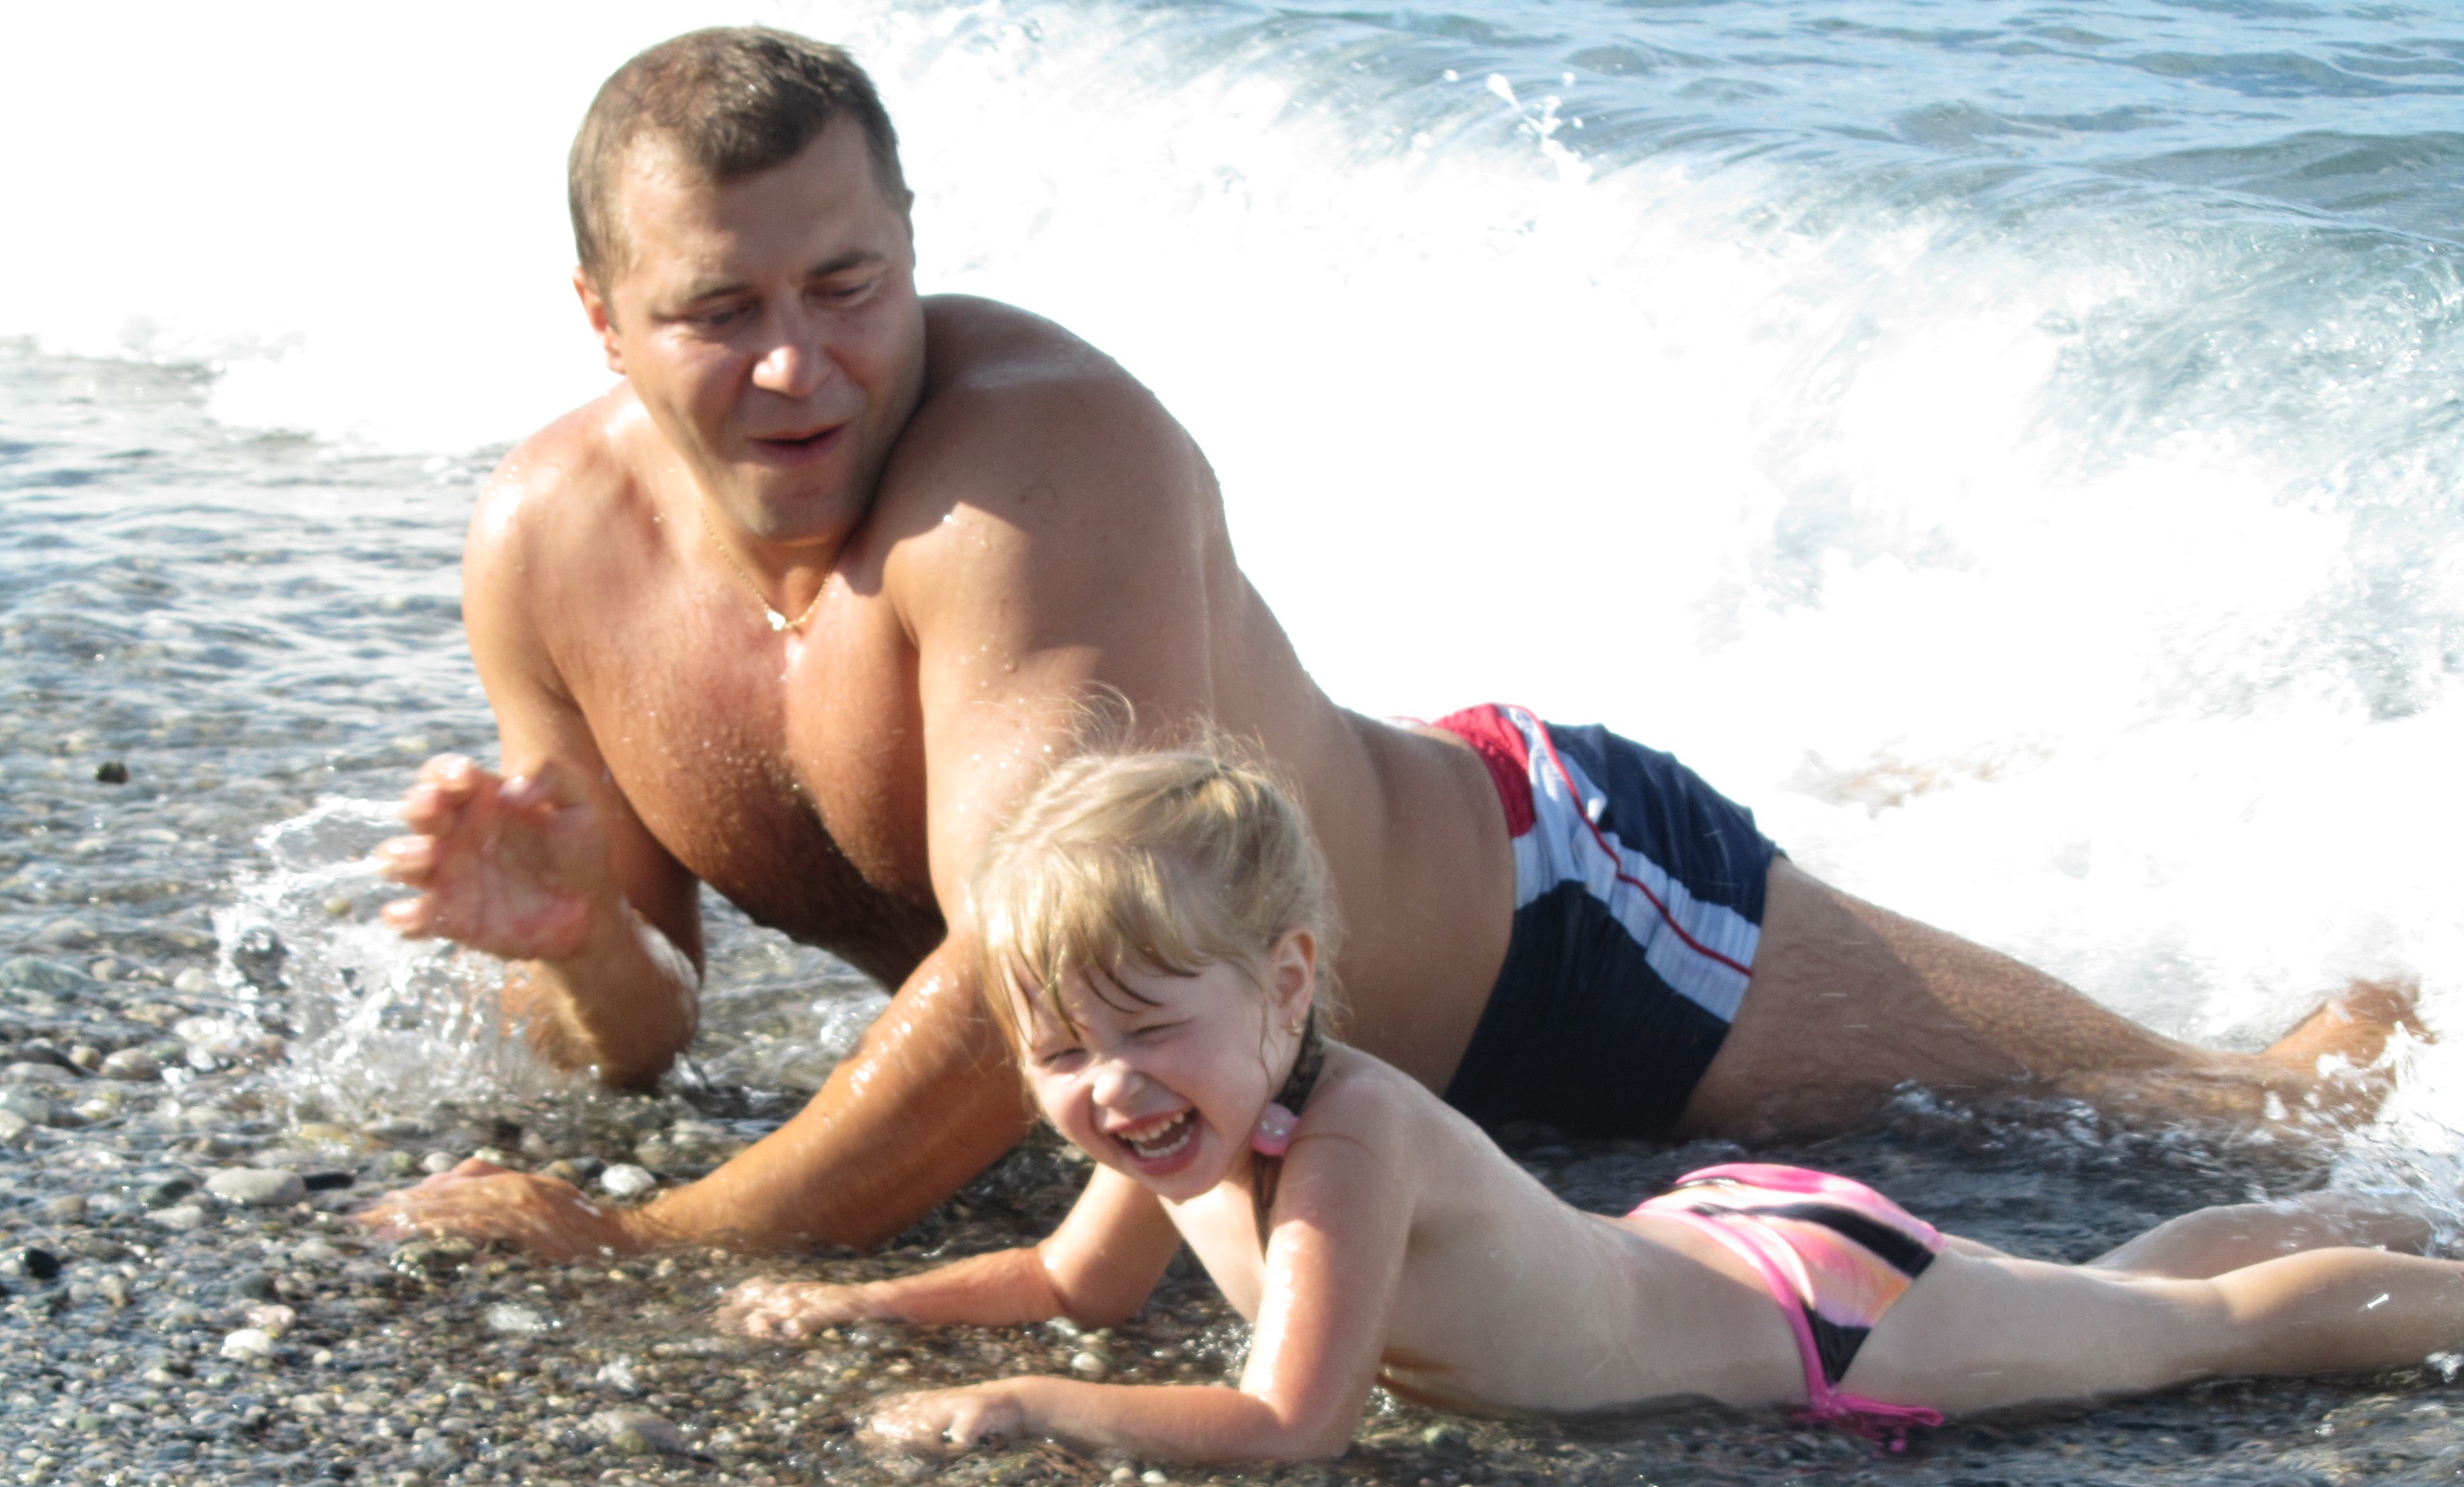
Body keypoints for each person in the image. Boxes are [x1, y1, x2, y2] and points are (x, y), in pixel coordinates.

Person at [365, 26, 2412, 1265]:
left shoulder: (1037, 468)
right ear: (602, 319)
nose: (801, 363)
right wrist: (580, 944)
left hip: (1556, 928)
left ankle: (2399, 999)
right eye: (720, 311)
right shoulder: (549, 552)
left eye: (849, 284)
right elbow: (643, 1038)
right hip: (1255, 1065)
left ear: (914, 257)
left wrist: (647, 1239)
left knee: (2199, 1117)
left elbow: (1028, 983)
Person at [716, 751, 2462, 1464]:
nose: (1104, 1086)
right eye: (1055, 1052)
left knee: (2191, 1336)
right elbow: (1074, 1283)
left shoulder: (1346, 1145)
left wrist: (1032, 1411)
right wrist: (875, 1308)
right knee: (2123, 1290)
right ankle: (2386, 1200)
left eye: (1147, 1030)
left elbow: (1288, 1421)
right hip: (1704, 1248)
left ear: (1288, 989)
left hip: (1809, 1320)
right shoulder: (1181, 1126)